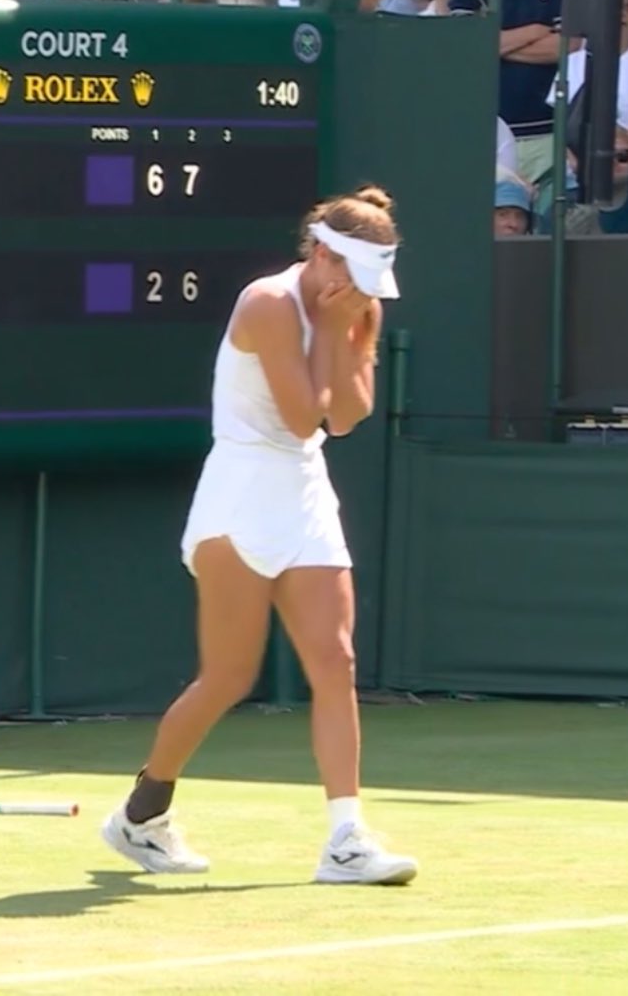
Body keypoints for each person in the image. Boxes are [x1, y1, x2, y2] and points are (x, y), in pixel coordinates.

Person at [100, 185, 419, 886]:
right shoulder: (267, 304)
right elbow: (304, 415)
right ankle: (141, 811)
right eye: (348, 271)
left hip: (303, 491)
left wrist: (345, 329)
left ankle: (345, 836)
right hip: (239, 491)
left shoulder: (355, 301)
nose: (356, 287)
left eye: (367, 279)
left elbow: (347, 416)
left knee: (334, 660)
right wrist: (333, 334)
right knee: (228, 675)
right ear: (320, 250)